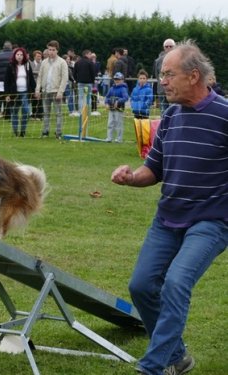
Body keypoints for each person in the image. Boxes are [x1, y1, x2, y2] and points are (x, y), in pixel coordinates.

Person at [111, 39, 227, 375]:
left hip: (211, 222)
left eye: (168, 74)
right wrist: (131, 177)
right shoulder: (171, 116)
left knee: (176, 282)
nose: (163, 81)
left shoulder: (224, 116)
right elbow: (154, 170)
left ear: (193, 76)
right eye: (162, 75)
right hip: (168, 218)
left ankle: (152, 367)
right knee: (142, 286)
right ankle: (178, 357)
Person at [34, 40, 68, 139]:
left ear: (57, 51)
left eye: (53, 50)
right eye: (49, 50)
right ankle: (45, 131)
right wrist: (37, 90)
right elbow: (40, 77)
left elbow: (64, 78)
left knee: (58, 113)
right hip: (45, 91)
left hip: (56, 92)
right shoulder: (44, 62)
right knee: (46, 113)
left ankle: (58, 133)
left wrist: (60, 92)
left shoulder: (62, 62)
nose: (51, 52)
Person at [4, 47, 36, 137]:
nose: (19, 56)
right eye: (18, 54)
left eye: (21, 55)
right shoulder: (10, 66)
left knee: (26, 111)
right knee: (14, 112)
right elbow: (6, 81)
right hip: (14, 93)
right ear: (14, 55)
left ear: (24, 56)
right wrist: (7, 94)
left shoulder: (27, 65)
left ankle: (23, 131)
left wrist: (35, 91)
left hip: (25, 92)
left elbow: (32, 80)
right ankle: (15, 131)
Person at [153, 38, 176, 115]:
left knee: (175, 112)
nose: (169, 48)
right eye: (166, 46)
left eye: (171, 46)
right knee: (164, 114)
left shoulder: (179, 59)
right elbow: (157, 75)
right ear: (164, 48)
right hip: (163, 90)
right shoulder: (158, 61)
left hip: (175, 90)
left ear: (174, 47)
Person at [104, 71, 128, 143]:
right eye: (115, 79)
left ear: (122, 80)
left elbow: (126, 98)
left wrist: (118, 101)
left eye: (119, 79)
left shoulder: (123, 89)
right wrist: (106, 103)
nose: (117, 81)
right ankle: (109, 138)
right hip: (111, 109)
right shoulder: (111, 88)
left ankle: (119, 139)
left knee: (119, 124)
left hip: (119, 109)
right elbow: (107, 97)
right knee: (110, 123)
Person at [0, 41, 14, 119]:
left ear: (3, 47)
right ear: (11, 47)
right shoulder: (13, 55)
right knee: (8, 97)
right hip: (9, 81)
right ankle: (7, 115)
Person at [73, 49, 96, 115]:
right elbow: (93, 73)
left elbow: (74, 73)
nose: (91, 56)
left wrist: (77, 80)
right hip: (89, 83)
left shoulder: (77, 62)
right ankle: (88, 112)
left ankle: (81, 112)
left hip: (80, 83)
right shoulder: (90, 62)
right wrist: (93, 81)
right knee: (88, 97)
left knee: (81, 97)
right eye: (90, 54)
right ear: (86, 54)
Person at [30, 50, 43, 120]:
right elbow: (30, 73)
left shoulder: (42, 64)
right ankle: (33, 114)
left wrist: (34, 73)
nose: (39, 58)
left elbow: (42, 73)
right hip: (33, 85)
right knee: (33, 100)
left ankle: (39, 115)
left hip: (40, 84)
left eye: (40, 56)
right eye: (38, 56)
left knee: (39, 100)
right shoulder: (31, 64)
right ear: (34, 57)